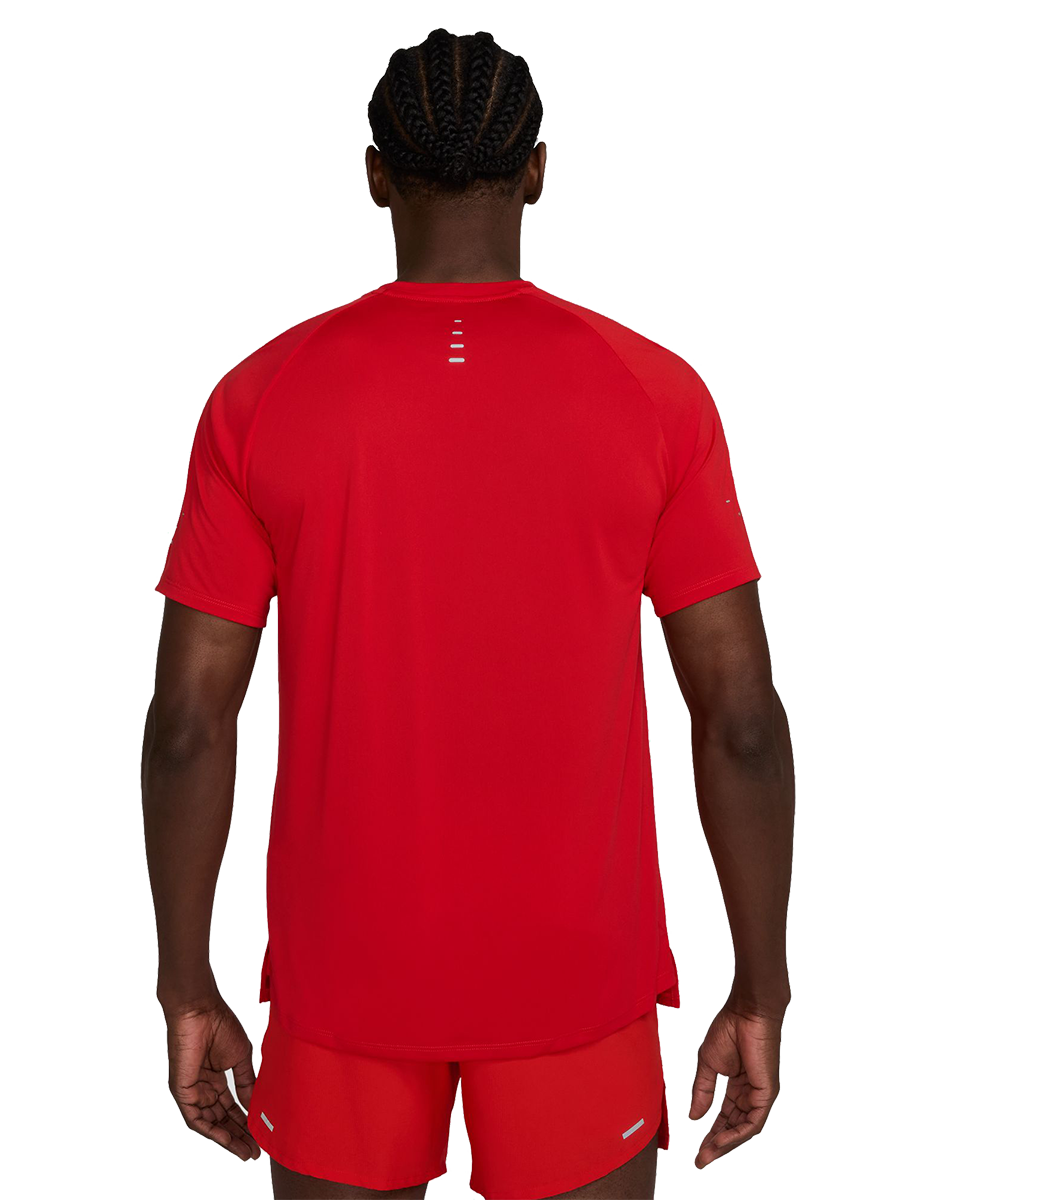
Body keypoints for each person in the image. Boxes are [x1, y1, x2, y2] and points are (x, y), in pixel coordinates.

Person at [141, 27, 794, 1200]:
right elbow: (741, 719)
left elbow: (190, 722)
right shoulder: (656, 396)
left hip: (347, 972)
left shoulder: (260, 398)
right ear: (535, 170)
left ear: (376, 175)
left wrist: (186, 987)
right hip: (573, 974)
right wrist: (761, 986)